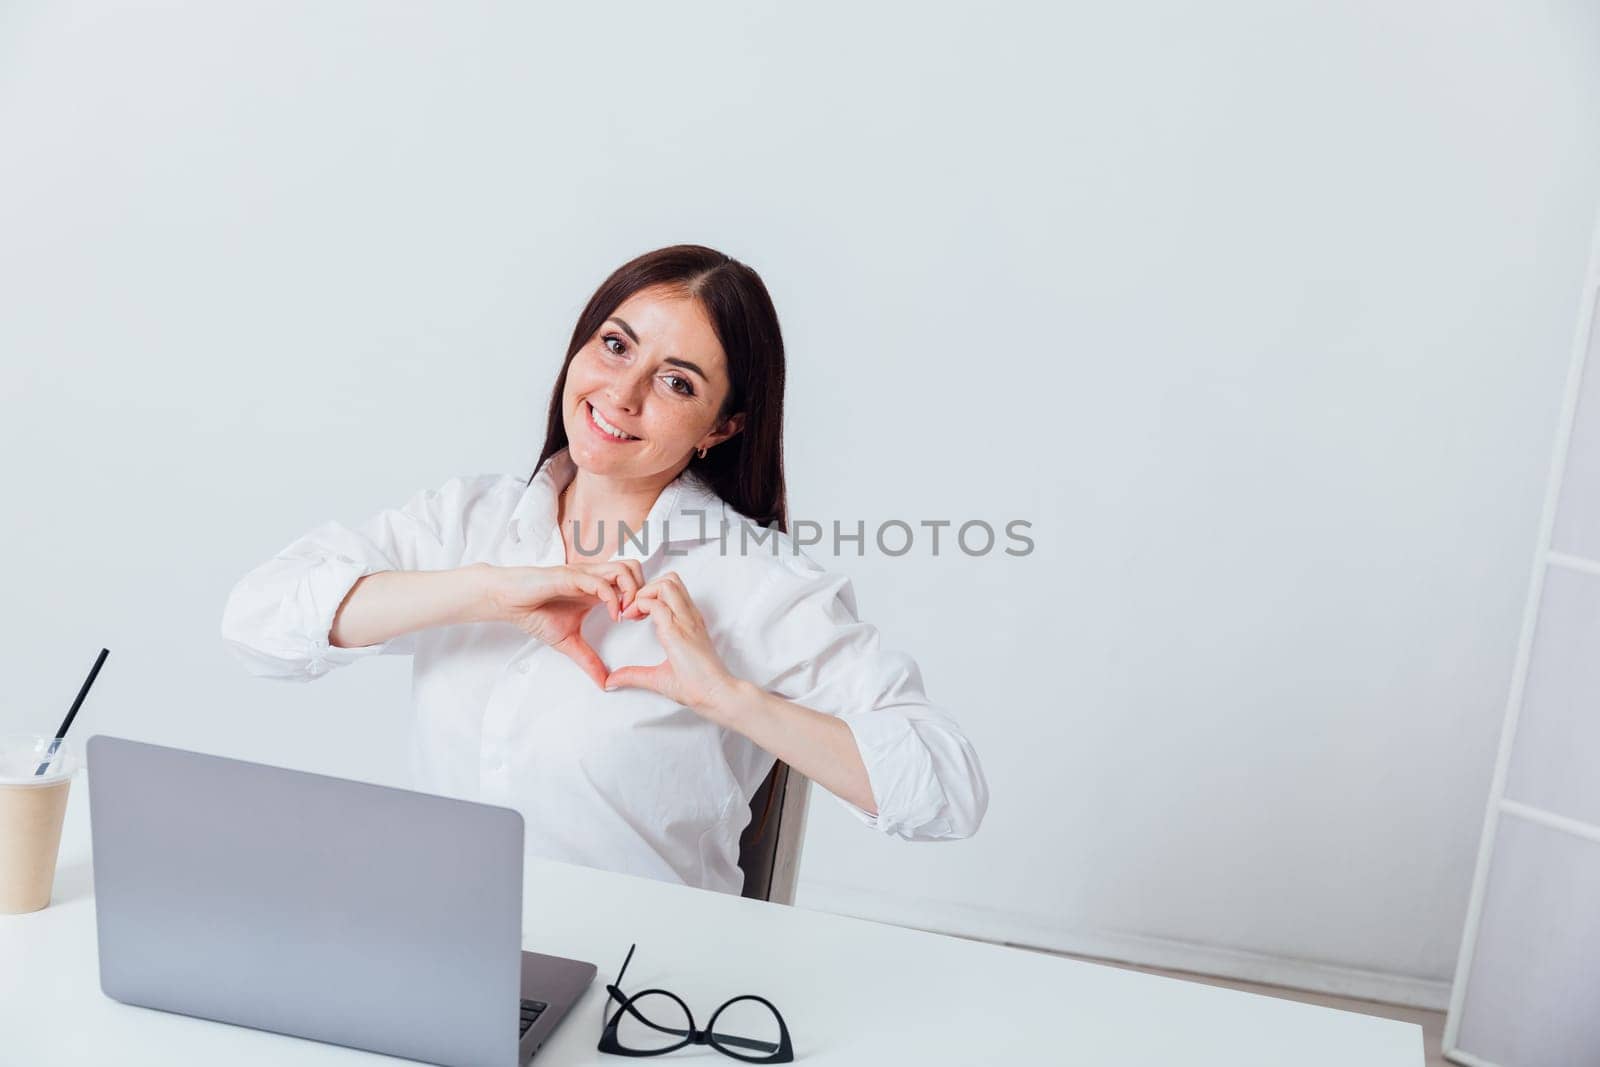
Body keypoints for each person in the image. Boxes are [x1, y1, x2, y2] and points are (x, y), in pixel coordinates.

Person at [221, 244, 988, 895]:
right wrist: (484, 591)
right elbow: (258, 625)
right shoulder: (469, 521)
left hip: (640, 985)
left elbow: (948, 791)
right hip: (436, 951)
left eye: (676, 381)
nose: (620, 394)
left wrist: (729, 698)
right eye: (616, 346)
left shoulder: (756, 582)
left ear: (723, 426)